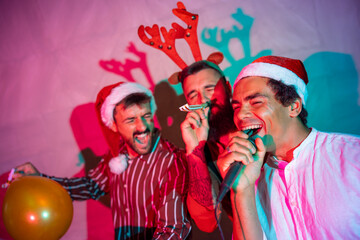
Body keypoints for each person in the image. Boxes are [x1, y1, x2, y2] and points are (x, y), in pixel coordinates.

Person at [14, 81, 191, 240]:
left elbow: (174, 229)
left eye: (146, 116)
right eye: (131, 119)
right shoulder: (117, 155)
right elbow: (91, 186)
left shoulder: (170, 161)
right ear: (114, 125)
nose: (143, 127)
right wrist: (41, 180)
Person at [216, 55, 360, 239]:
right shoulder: (252, 180)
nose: (241, 115)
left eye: (256, 102)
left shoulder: (352, 155)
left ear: (293, 107)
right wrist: (242, 190)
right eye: (236, 107)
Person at [179, 60, 237, 233]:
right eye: (192, 94)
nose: (202, 100)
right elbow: (207, 223)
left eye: (209, 89)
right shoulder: (202, 153)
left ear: (228, 88)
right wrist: (194, 149)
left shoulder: (257, 122)